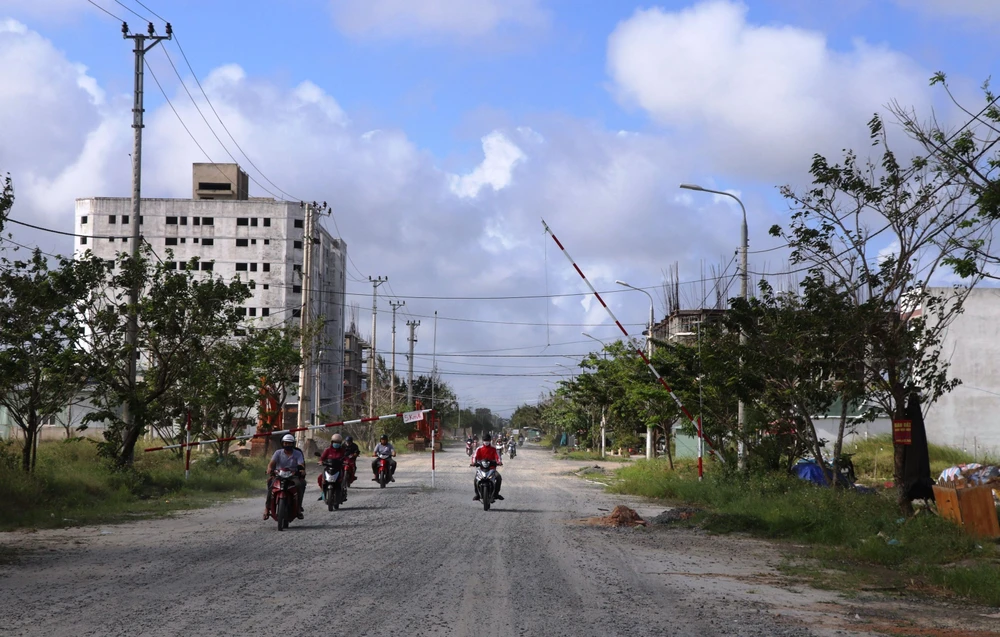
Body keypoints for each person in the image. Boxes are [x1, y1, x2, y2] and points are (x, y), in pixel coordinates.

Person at [265, 433, 306, 520]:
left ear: (293, 444)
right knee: (270, 484)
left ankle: (298, 508)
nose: (287, 445)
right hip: (279, 475)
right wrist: (269, 469)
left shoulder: (298, 453)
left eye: (290, 443)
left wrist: (301, 470)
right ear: (282, 443)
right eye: (286, 443)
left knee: (300, 485)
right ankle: (267, 508)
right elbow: (271, 463)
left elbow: (301, 464)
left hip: (293, 475)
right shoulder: (278, 453)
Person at [471, 433, 503, 501]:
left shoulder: (494, 449)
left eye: (488, 440)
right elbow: (474, 456)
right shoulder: (479, 449)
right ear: (482, 441)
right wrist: (473, 463)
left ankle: (496, 494)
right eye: (485, 440)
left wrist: (499, 462)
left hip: (491, 468)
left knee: (499, 477)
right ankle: (477, 495)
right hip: (481, 468)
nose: (486, 442)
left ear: (490, 440)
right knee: (475, 479)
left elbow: (498, 457)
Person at [318, 434, 349, 500]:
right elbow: (322, 458)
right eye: (335, 442)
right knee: (320, 478)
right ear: (332, 442)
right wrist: (321, 461)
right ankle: (323, 491)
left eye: (338, 443)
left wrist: (346, 462)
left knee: (342, 479)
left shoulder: (342, 451)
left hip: (338, 469)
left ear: (340, 443)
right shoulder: (327, 450)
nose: (336, 444)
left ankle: (342, 491)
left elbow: (346, 458)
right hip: (328, 469)